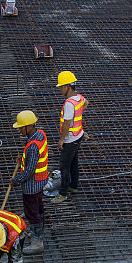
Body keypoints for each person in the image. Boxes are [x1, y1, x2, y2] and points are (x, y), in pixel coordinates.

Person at [9, 110, 47, 253]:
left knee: (32, 213)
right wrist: (23, 157)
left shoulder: (32, 146)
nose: (19, 129)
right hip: (41, 180)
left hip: (32, 185)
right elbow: (33, 159)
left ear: (29, 127)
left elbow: (29, 170)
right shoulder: (40, 135)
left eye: (20, 127)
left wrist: (16, 180)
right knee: (39, 208)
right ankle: (38, 234)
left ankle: (38, 242)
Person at [50, 70, 88, 205]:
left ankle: (63, 193)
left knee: (64, 166)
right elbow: (86, 103)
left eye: (61, 87)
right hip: (79, 136)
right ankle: (74, 186)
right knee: (74, 162)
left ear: (68, 87)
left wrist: (61, 140)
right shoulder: (79, 98)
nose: (60, 89)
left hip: (71, 140)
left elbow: (66, 124)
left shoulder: (68, 104)